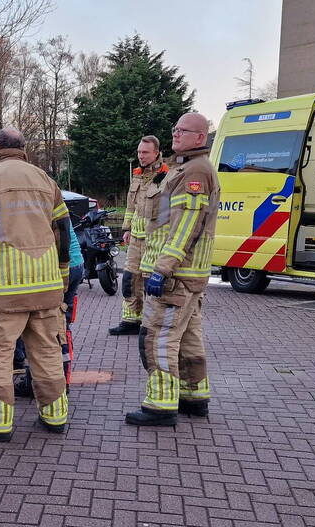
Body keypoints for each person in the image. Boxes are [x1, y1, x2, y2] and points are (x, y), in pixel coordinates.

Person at [0, 127, 73, 440]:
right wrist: (61, 279)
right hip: (46, 286)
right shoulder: (46, 180)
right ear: (23, 148)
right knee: (47, 353)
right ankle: (55, 416)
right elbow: (63, 231)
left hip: (5, 291)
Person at [127, 112, 218, 427]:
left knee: (158, 337)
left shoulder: (195, 171)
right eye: (175, 129)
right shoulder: (185, 167)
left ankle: (160, 405)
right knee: (189, 337)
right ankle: (194, 397)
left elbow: (186, 225)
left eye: (184, 130)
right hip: (187, 274)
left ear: (200, 137)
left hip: (176, 275)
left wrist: (162, 269)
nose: (176, 134)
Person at [14, 221, 84, 396]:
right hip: (74, 263)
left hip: (57, 267)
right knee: (61, 324)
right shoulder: (51, 204)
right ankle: (62, 380)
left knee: (38, 325)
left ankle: (41, 383)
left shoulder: (32, 207)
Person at [109, 135, 168, 336]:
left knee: (150, 282)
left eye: (145, 152)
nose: (141, 156)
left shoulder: (167, 176)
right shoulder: (137, 175)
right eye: (139, 152)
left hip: (155, 239)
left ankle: (149, 323)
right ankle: (130, 320)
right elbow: (130, 206)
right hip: (135, 238)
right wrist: (126, 229)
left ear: (156, 153)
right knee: (129, 280)